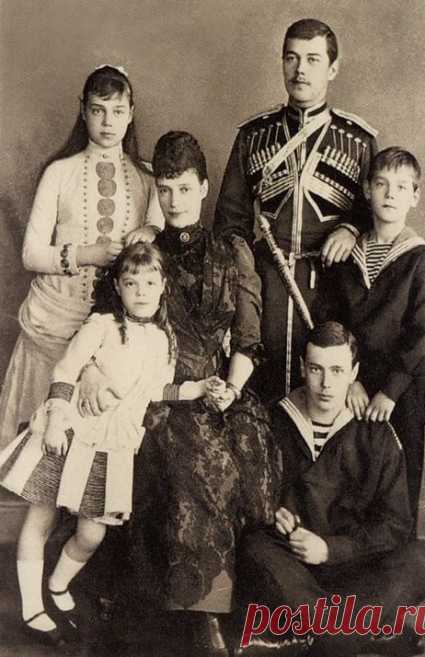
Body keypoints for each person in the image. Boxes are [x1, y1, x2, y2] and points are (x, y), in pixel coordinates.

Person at [81, 131, 282, 656]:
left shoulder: (230, 252)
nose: (174, 201)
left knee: (251, 453)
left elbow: (248, 339)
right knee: (203, 464)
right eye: (165, 189)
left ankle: (251, 601)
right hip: (157, 396)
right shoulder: (142, 257)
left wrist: (231, 389)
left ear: (205, 188)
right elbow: (101, 325)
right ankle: (203, 615)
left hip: (220, 386)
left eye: (185, 189)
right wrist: (96, 377)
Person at [0, 242, 207, 646]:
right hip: (70, 433)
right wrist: (57, 419)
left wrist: (196, 388)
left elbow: (156, 390)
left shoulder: (164, 339)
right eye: (132, 283)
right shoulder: (102, 326)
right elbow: (65, 369)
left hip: (112, 447)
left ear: (163, 285)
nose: (142, 291)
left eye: (150, 282)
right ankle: (31, 607)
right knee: (40, 520)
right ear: (118, 285)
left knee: (91, 534)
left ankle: (58, 585)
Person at [236, 322, 425, 657]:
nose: (326, 383)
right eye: (316, 369)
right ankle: (357, 630)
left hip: (355, 568)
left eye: (337, 370)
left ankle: (318, 635)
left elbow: (394, 525)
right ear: (303, 368)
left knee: (424, 559)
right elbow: (249, 496)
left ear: (354, 372)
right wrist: (271, 512)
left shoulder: (376, 434)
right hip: (294, 568)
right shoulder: (272, 421)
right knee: (253, 548)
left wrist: (332, 550)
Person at [214, 18, 378, 400]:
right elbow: (230, 221)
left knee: (325, 396)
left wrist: (351, 229)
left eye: (313, 59)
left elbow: (377, 218)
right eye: (291, 58)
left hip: (332, 289)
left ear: (332, 69)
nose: (300, 69)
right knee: (263, 393)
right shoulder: (254, 136)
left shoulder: (357, 140)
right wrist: (247, 280)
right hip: (265, 286)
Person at [0, 65, 162, 449]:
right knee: (36, 449)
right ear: (83, 111)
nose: (108, 122)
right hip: (54, 321)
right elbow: (31, 254)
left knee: (95, 458)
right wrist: (89, 254)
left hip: (115, 334)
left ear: (131, 113)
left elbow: (155, 254)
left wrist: (150, 232)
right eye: (98, 110)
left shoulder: (149, 179)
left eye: (118, 111)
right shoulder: (60, 172)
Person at [315, 147, 425, 524]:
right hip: (354, 386)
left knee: (399, 480)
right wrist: (351, 382)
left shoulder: (420, 260)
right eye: (382, 184)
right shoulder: (348, 256)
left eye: (402, 186)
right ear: (366, 190)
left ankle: (399, 569)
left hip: (402, 390)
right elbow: (331, 321)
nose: (391, 194)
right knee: (354, 478)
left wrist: (390, 391)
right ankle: (356, 568)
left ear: (415, 196)